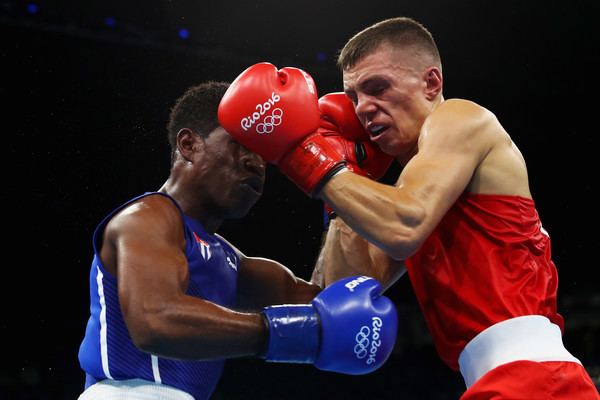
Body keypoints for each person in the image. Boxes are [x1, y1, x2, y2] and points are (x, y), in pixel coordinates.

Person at [217, 17, 600, 399]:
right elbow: (340, 292)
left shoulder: (461, 118)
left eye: (377, 88)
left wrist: (306, 156)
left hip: (533, 377)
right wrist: (350, 176)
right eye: (354, 97)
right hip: (502, 382)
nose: (364, 108)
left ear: (431, 83)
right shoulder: (409, 194)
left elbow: (403, 228)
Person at [76, 81, 398, 400]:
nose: (256, 163)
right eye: (241, 144)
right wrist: (286, 334)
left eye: (263, 155)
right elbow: (155, 320)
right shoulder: (145, 217)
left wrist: (340, 186)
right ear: (189, 145)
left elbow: (332, 304)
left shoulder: (231, 263)